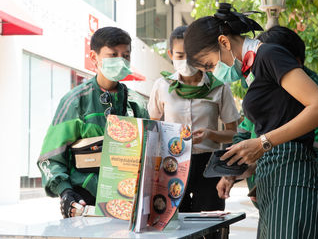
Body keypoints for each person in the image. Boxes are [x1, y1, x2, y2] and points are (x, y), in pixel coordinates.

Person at [184, 3, 318, 238]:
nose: (214, 72)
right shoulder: (253, 70)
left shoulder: (268, 54)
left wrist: (262, 143)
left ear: (224, 42)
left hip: (293, 178)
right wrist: (240, 168)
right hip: (276, 179)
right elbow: (279, 121)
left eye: (210, 64)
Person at [217, 26, 318, 238]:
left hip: (309, 194)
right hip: (276, 192)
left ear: (291, 61)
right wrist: (235, 169)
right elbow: (246, 132)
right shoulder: (264, 90)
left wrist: (293, 181)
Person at [37, 27, 149, 218]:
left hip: (129, 201)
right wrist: (65, 191)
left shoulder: (136, 103)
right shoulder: (75, 102)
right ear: (93, 57)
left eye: (126, 55)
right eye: (113, 54)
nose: (121, 61)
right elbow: (51, 156)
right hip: (83, 202)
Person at [147, 26, 240, 216]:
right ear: (171, 54)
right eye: (180, 55)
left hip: (208, 165)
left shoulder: (218, 86)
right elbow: (152, 128)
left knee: (210, 224)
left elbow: (233, 132)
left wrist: (211, 134)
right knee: (172, 221)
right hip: (172, 163)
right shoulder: (162, 86)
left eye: (191, 55)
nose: (186, 61)